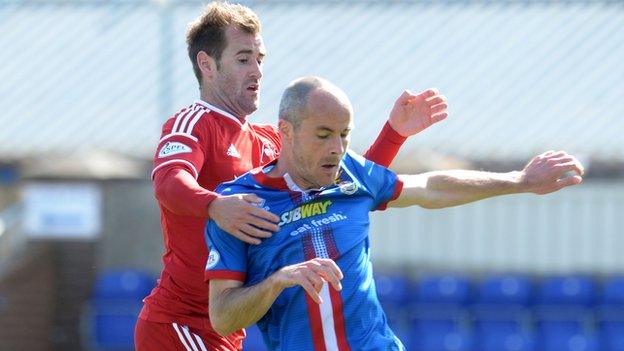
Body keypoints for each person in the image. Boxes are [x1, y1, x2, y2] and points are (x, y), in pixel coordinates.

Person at [134, 2, 449, 351]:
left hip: (226, 327)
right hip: (181, 323)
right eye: (243, 59)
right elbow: (168, 183)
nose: (256, 70)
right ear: (206, 64)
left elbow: (347, 189)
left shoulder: (272, 142)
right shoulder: (193, 123)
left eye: (260, 59)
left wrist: (393, 134)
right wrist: (216, 206)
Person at [204, 76, 584, 350]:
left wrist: (519, 180)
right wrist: (277, 281)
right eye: (323, 135)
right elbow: (223, 317)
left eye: (345, 134)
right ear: (285, 131)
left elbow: (430, 187)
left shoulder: (353, 173)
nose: (337, 148)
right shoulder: (239, 203)